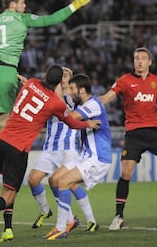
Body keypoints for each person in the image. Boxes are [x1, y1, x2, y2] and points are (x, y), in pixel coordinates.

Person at [0, 65, 100, 246]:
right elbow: (71, 122)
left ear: (45, 74)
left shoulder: (30, 83)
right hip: (18, 148)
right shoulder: (54, 102)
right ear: (57, 84)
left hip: (1, 141)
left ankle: (8, 229)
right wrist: (88, 123)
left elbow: (33, 87)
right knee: (7, 196)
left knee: (8, 190)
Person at [0, 0, 91, 179]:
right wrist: (76, 4)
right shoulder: (22, 19)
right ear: (13, 4)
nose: (25, 6)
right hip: (8, 72)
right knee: (2, 121)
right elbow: (52, 19)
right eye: (22, 3)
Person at [98, 46, 157, 230]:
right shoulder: (125, 80)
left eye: (143, 58)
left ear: (150, 62)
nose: (139, 61)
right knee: (126, 173)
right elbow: (107, 97)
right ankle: (118, 216)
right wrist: (90, 102)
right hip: (134, 132)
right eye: (136, 58)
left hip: (155, 131)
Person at [27, 67, 98, 233]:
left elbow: (63, 104)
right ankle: (48, 212)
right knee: (33, 179)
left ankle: (90, 220)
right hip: (50, 148)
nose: (62, 78)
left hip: (69, 149)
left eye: (65, 76)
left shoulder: (73, 99)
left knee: (66, 184)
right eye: (60, 76)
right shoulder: (50, 97)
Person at [45, 73, 112, 240]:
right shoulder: (84, 104)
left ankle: (62, 228)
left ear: (82, 90)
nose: (70, 91)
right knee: (54, 180)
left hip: (98, 158)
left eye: (72, 88)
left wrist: (60, 100)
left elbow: (72, 118)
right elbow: (71, 117)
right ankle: (74, 222)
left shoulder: (93, 104)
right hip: (84, 156)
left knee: (64, 182)